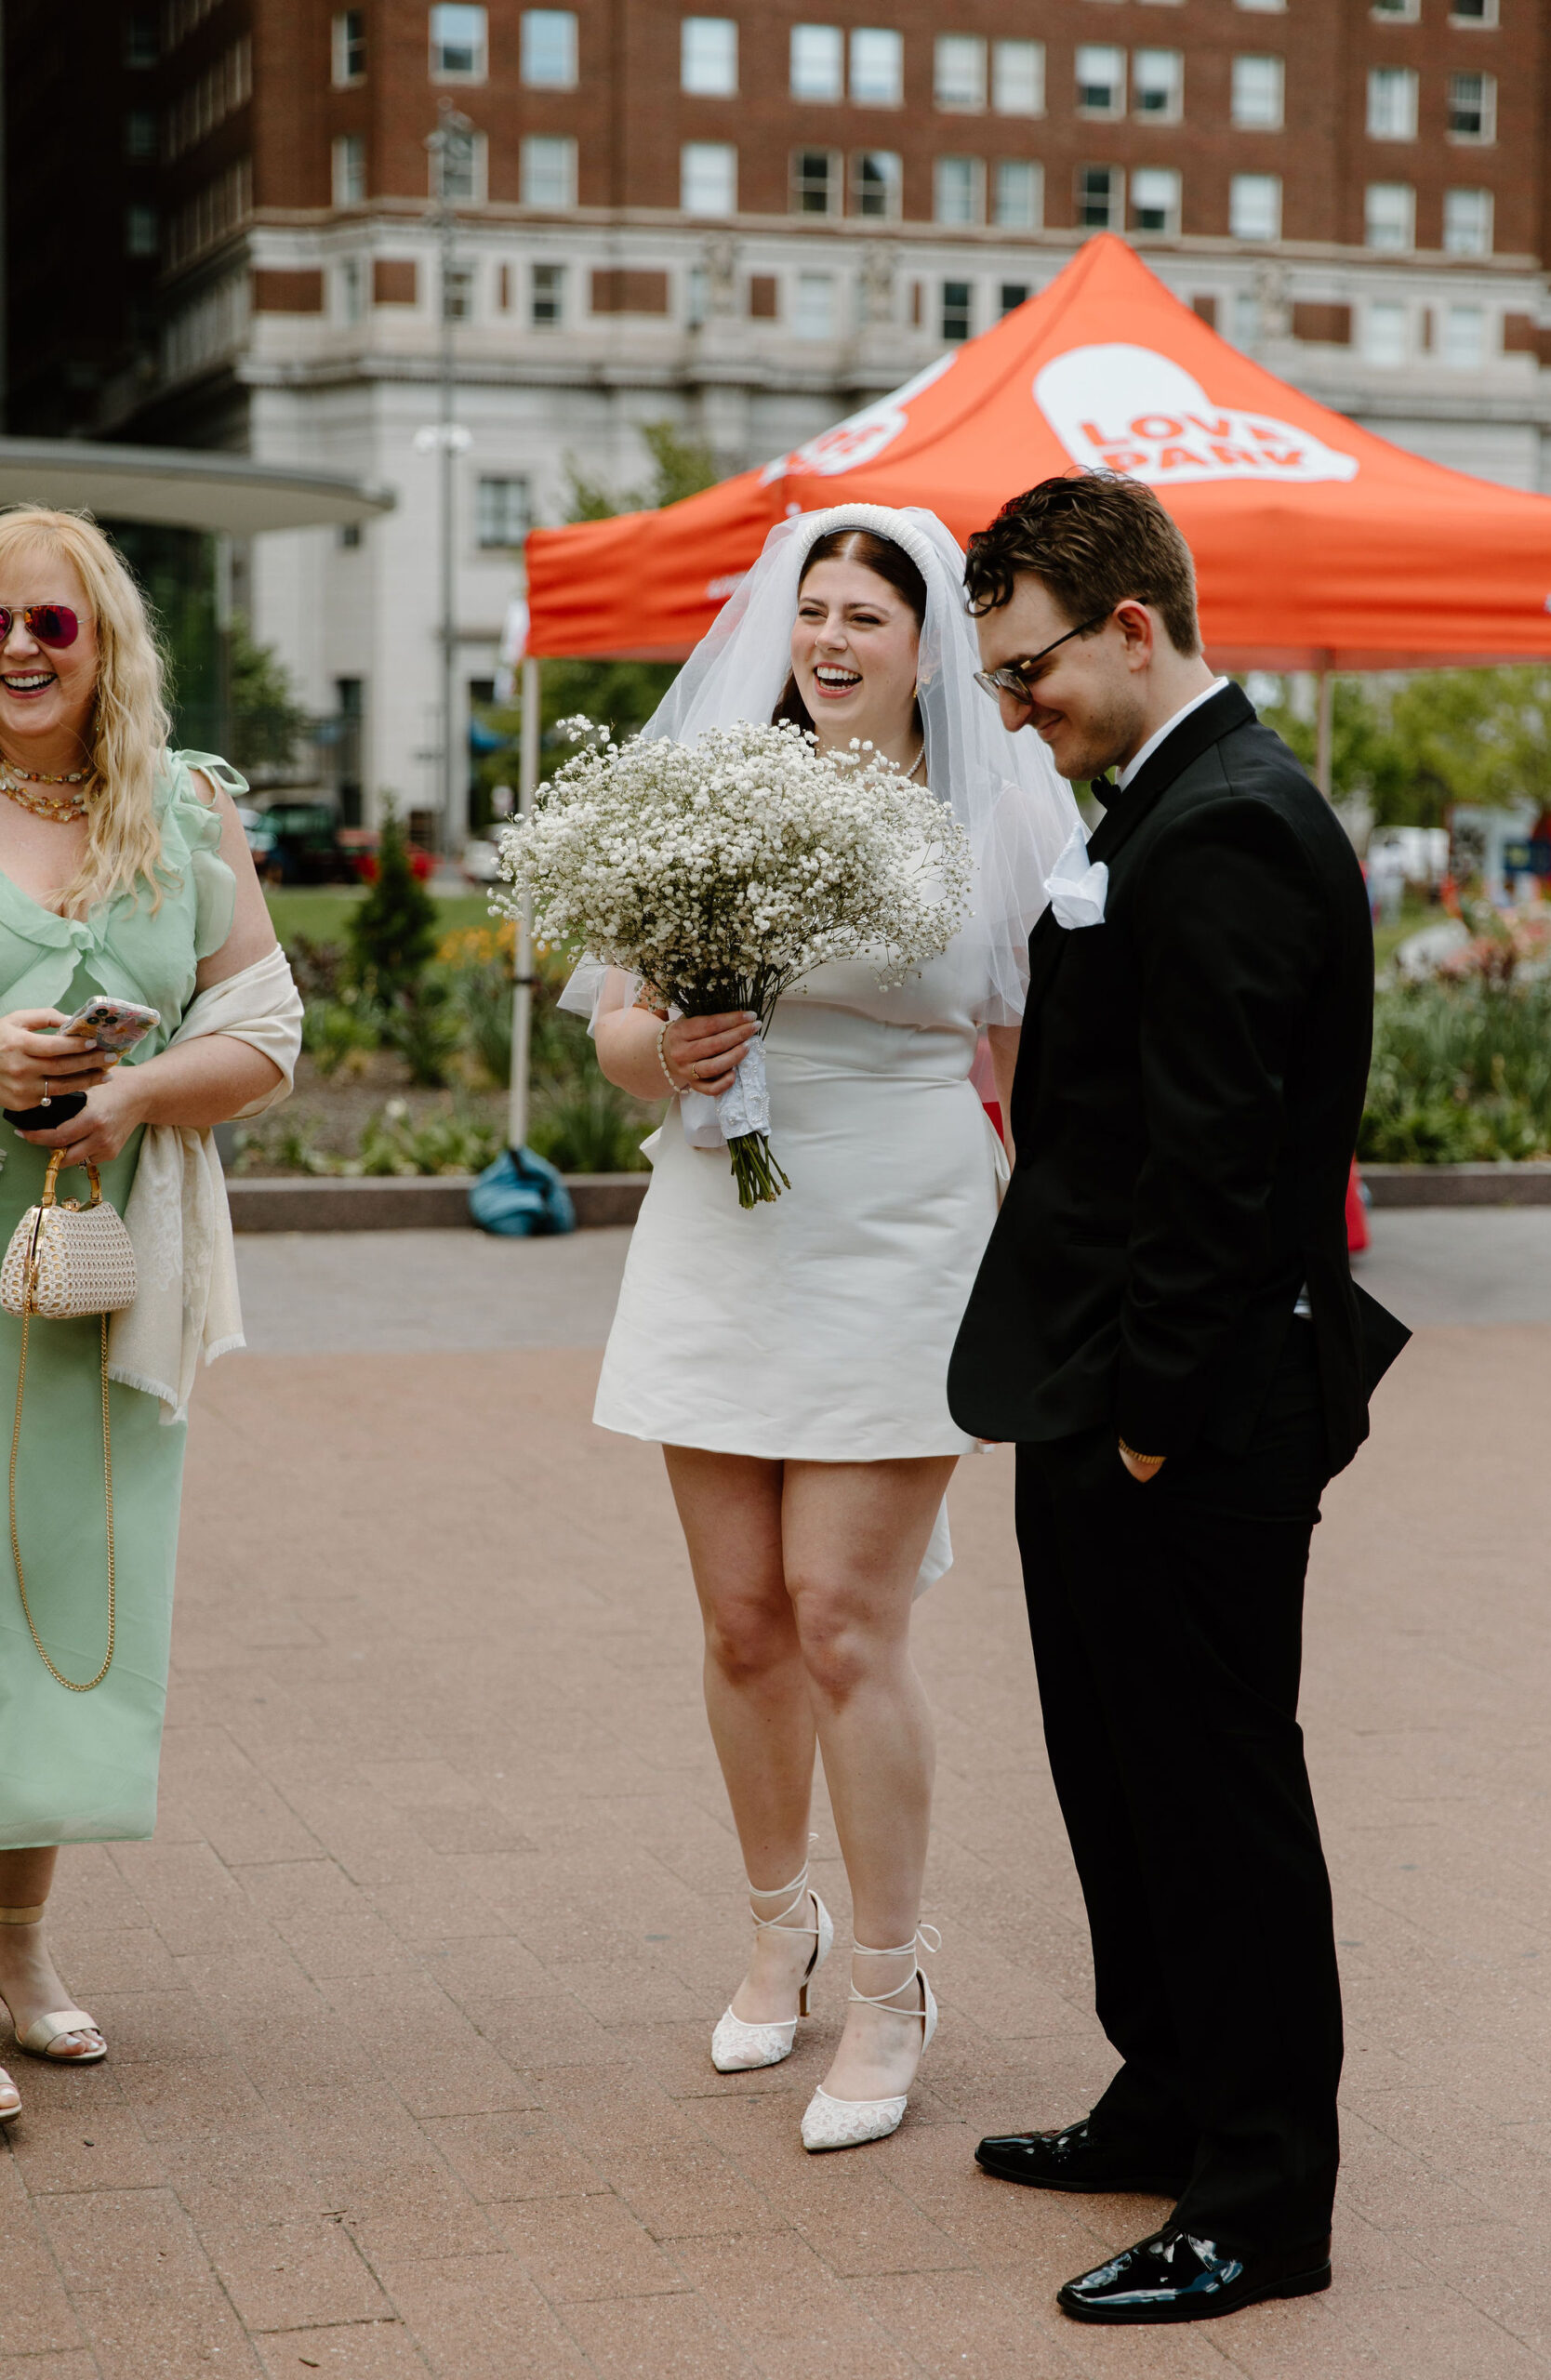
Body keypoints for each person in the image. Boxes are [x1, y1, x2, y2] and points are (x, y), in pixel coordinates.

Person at [947, 473, 1409, 2322]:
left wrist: (1141, 1417)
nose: (1010, 707)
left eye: (1027, 667)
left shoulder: (1226, 824)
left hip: (1186, 1410)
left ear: (1130, 627)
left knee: (1212, 1794)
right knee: (1113, 1770)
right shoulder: (1163, 799)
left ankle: (1261, 2197)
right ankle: (1164, 2084)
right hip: (1099, 1392)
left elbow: (1218, 1167)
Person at [576, 504, 1072, 2151]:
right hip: (726, 1213)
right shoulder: (717, 785)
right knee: (739, 1621)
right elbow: (622, 1027)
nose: (836, 638)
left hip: (906, 1220)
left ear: (929, 636)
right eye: (814, 610)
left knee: (843, 1617)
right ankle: (772, 1927)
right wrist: (678, 1053)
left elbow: (1026, 1048)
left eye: (872, 609)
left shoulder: (997, 802)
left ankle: (889, 1983)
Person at [0, 508, 300, 2126]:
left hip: (87, 1281)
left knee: (61, 1607)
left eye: (52, 624)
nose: (20, 649)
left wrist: (131, 1091)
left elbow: (266, 1027)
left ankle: (23, 1953)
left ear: (103, 641)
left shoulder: (185, 812)